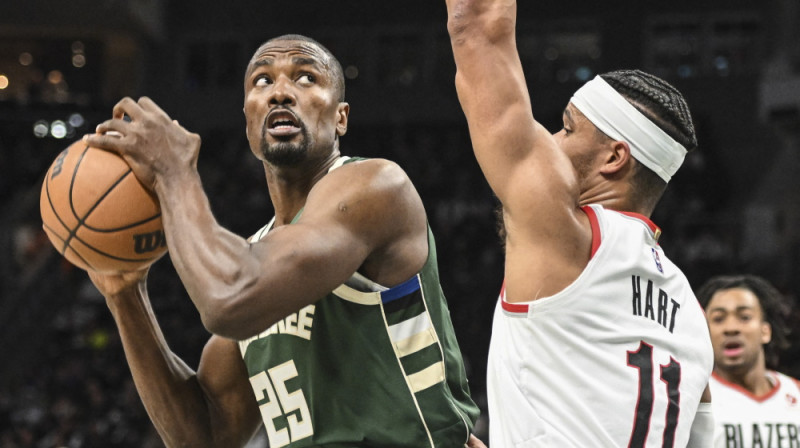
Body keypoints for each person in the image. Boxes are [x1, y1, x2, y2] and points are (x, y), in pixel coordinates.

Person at [83, 34, 484, 448]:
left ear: (341, 117)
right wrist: (126, 294)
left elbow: (228, 299)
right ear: (248, 119)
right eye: (261, 81)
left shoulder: (377, 186)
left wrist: (174, 173)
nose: (280, 92)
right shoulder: (258, 256)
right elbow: (204, 436)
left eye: (306, 77)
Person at [443, 1, 715, 446]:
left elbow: (475, 25)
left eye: (567, 130)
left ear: (614, 158)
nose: (551, 140)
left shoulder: (568, 234)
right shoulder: (693, 313)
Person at [696, 275, 800, 447]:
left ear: (765, 331)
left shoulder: (796, 393)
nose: (731, 328)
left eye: (744, 317)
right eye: (718, 319)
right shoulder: (695, 399)